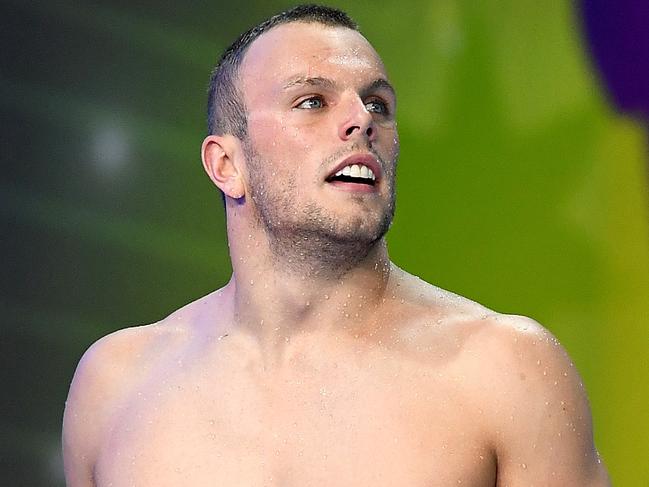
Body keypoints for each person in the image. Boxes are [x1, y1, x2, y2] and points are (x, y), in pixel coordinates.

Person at [62, 5, 611, 486]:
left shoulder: (505, 372)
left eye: (378, 104)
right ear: (227, 165)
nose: (360, 121)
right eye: (312, 101)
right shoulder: (115, 386)